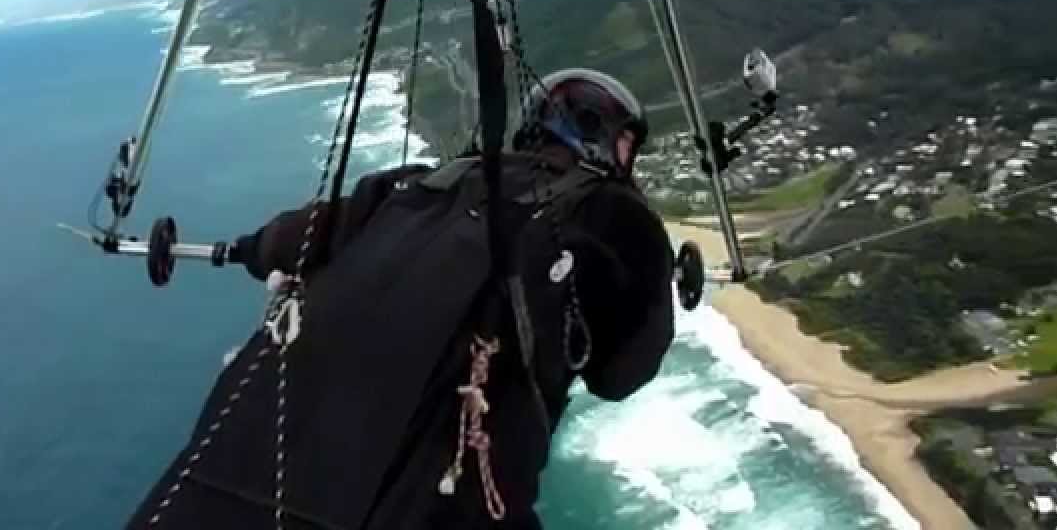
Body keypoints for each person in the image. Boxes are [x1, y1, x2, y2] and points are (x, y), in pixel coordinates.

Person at [127, 68, 676, 530]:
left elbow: (299, 235)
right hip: (433, 501)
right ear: (606, 137)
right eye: (629, 145)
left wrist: (245, 249)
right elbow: (621, 374)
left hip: (238, 475)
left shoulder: (426, 182)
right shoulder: (614, 213)